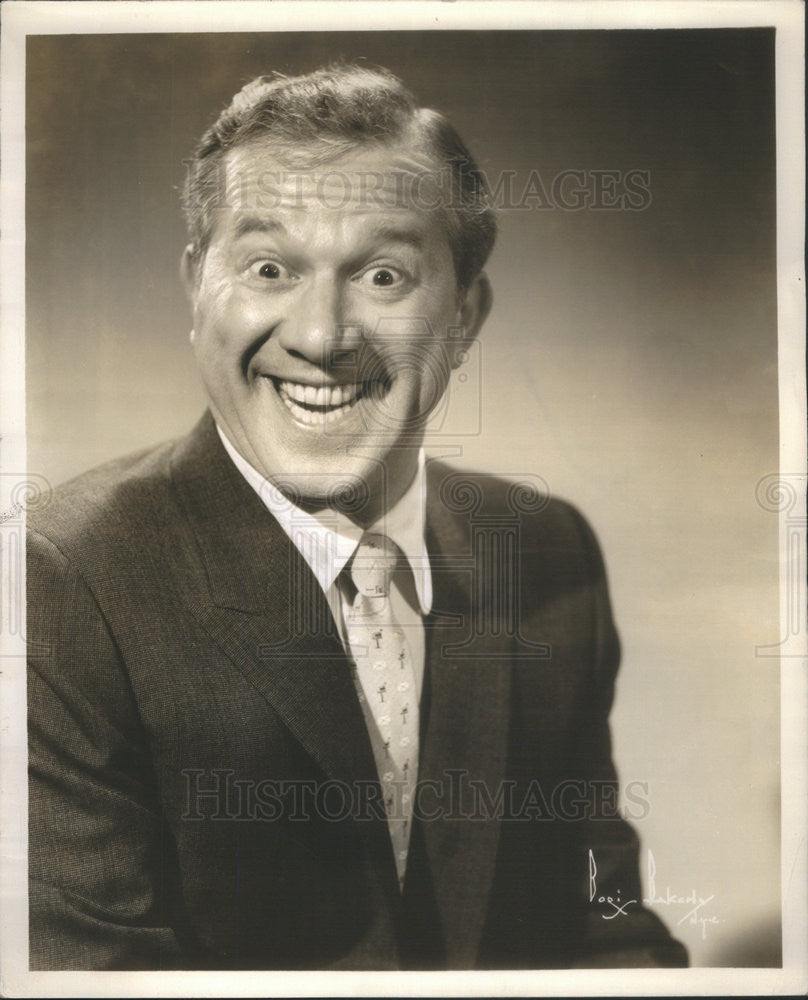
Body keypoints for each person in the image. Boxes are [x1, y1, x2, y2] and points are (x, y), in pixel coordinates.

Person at [27, 63, 687, 970]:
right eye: (269, 268)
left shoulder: (544, 548)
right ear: (197, 287)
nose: (321, 336)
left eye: (383, 275)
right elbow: (93, 982)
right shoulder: (60, 579)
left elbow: (603, 925)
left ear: (465, 316)